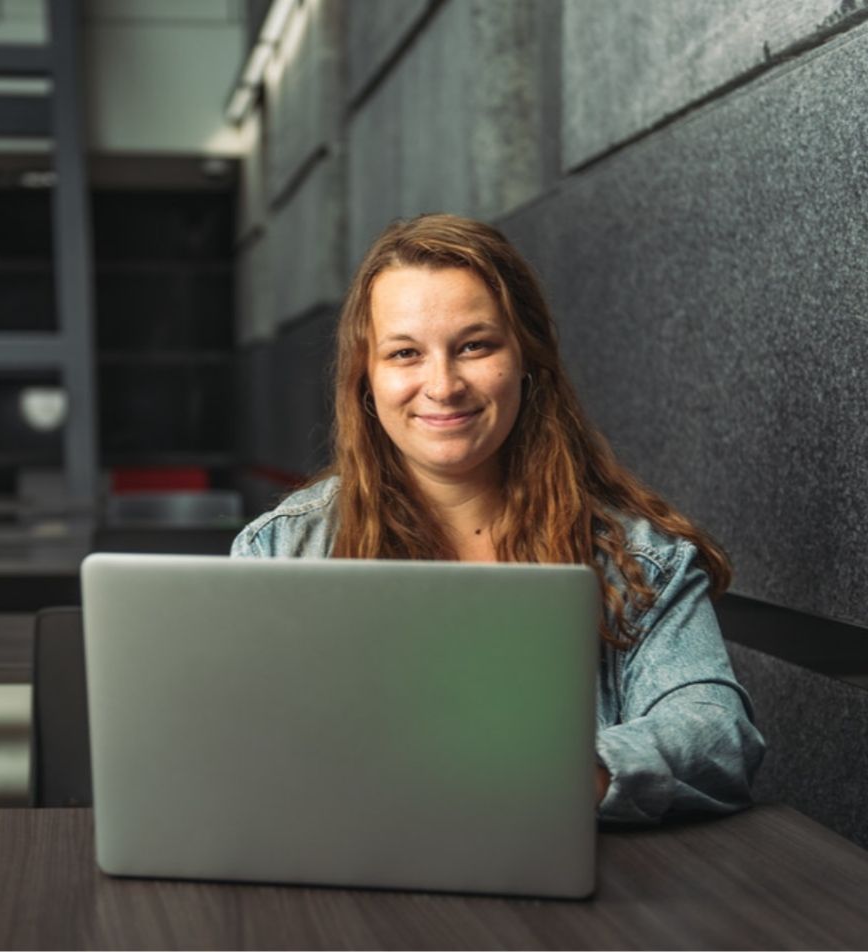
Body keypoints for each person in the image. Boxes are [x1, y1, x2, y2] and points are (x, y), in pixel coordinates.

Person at [231, 213, 765, 824]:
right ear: (366, 382)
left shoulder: (638, 558)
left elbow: (718, 734)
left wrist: (549, 772)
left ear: (527, 361)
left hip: (576, 900)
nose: (443, 385)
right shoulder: (282, 548)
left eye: (474, 346)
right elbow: (241, 754)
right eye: (405, 353)